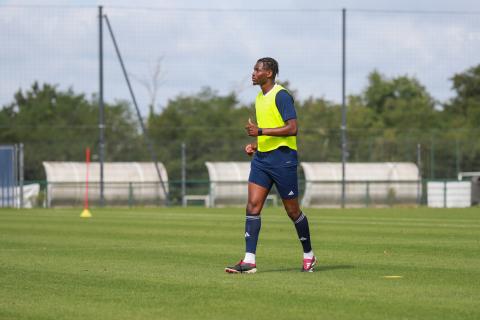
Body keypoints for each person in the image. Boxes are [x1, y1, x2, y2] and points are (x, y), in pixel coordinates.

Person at [225, 57, 316, 274]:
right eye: (254, 69)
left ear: (269, 73)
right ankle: (249, 261)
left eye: (257, 70)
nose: (253, 73)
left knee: (292, 211)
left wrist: (261, 132)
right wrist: (256, 145)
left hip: (283, 160)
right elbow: (268, 130)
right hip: (262, 161)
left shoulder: (281, 95)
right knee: (252, 206)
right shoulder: (259, 98)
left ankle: (309, 255)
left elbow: (292, 128)